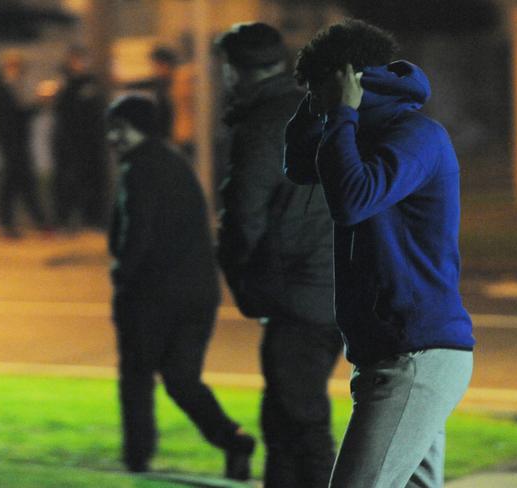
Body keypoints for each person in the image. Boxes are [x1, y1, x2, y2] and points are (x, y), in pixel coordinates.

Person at [284, 20, 475, 488]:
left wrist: (341, 115)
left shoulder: (416, 135)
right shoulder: (355, 132)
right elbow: (298, 165)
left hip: (415, 351)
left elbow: (352, 200)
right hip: (390, 351)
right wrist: (324, 113)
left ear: (348, 82)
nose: (313, 103)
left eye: (317, 92)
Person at [215, 22, 343, 488]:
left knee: (300, 423)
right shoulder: (320, 112)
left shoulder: (263, 125)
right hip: (336, 288)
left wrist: (245, 286)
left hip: (296, 294)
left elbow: (242, 218)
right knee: (286, 418)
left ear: (235, 71)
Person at [106, 94, 255, 479]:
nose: (113, 138)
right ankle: (233, 439)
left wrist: (123, 275)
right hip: (198, 293)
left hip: (152, 295)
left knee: (137, 376)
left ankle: (136, 456)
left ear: (134, 128)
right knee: (181, 378)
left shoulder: (137, 170)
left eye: (118, 128)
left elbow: (138, 232)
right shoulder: (176, 163)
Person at [0, 50, 48, 239]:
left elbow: (22, 116)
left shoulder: (12, 88)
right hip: (11, 145)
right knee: (17, 184)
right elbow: (5, 120)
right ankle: (35, 223)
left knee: (18, 184)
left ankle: (33, 223)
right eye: (15, 67)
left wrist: (39, 103)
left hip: (19, 143)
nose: (18, 71)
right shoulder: (2, 89)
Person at [52, 45, 108, 230]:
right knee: (68, 180)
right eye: (76, 60)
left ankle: (91, 217)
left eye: (82, 60)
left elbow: (96, 107)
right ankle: (64, 218)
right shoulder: (63, 81)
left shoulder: (90, 81)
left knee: (91, 178)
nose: (80, 64)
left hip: (90, 139)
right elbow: (61, 109)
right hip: (68, 139)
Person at [124, 46, 177, 141]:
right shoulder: (160, 82)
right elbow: (146, 82)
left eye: (157, 65)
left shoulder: (175, 83)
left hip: (173, 133)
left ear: (166, 64)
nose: (155, 69)